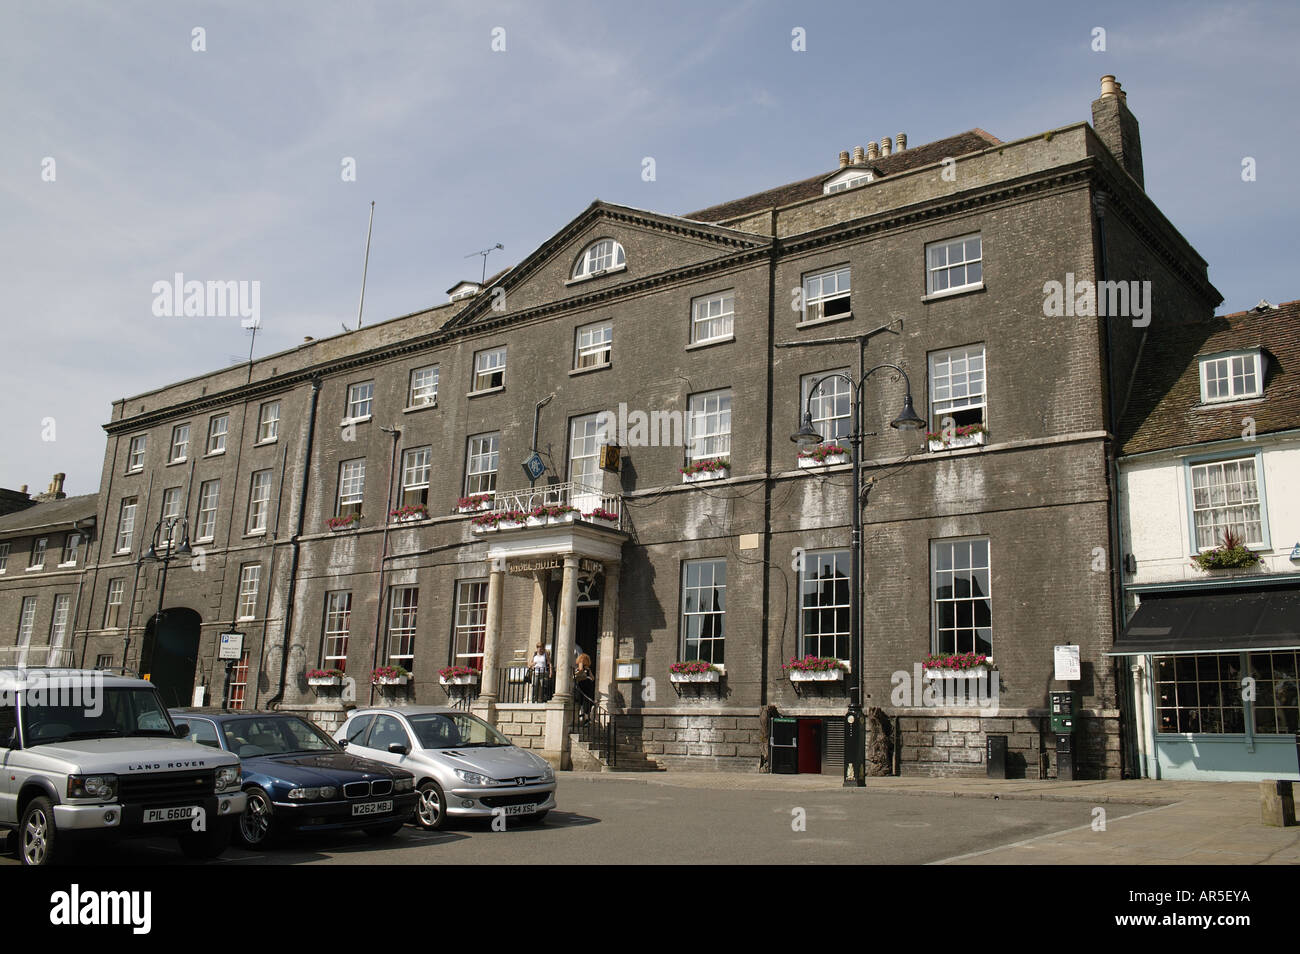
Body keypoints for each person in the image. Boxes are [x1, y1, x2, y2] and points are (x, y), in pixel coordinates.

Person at [574, 652, 595, 723]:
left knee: (585, 701)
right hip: (583, 685)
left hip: (585, 685)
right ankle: (585, 717)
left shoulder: (587, 669)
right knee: (582, 701)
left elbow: (592, 678)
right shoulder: (580, 669)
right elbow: (592, 678)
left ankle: (585, 717)